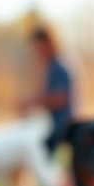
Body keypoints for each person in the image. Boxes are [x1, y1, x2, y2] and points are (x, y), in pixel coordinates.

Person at [20, 26, 75, 159]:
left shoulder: (59, 66)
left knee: (41, 156)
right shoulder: (51, 65)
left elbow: (60, 99)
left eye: (37, 46)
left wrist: (32, 101)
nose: (35, 51)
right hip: (52, 123)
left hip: (60, 125)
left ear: (47, 43)